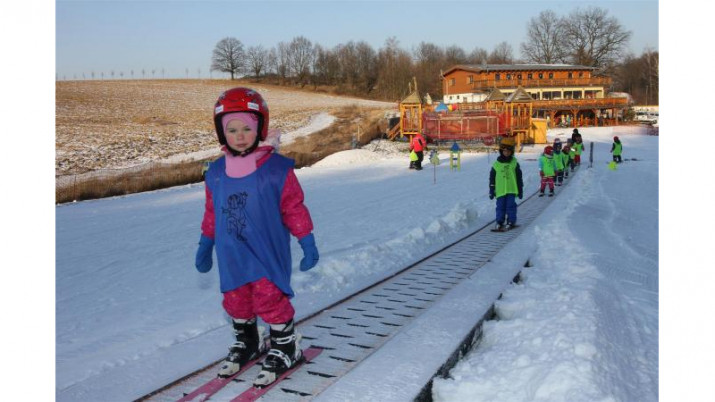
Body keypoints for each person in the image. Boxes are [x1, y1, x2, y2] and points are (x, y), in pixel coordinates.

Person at [194, 87, 320, 388]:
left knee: (269, 298)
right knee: (235, 300)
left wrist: (306, 239)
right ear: (222, 133)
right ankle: (248, 341)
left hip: (265, 252)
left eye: (247, 128)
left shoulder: (276, 170)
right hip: (232, 255)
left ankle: (286, 346)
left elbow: (293, 207)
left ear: (260, 128)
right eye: (232, 129)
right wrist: (205, 244)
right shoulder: (216, 172)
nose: (239, 136)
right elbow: (212, 211)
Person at [489, 137, 523, 231]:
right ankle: (499, 221)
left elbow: (519, 178)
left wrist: (520, 189)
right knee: (500, 206)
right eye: (504, 151)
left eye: (508, 151)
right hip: (500, 190)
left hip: (511, 189)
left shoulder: (514, 164)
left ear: (511, 152)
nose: (506, 153)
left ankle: (511, 221)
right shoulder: (496, 165)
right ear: (501, 151)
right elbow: (492, 178)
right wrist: (492, 189)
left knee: (511, 206)